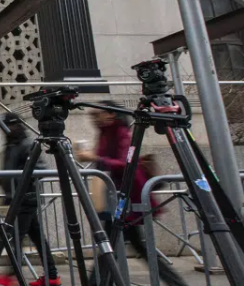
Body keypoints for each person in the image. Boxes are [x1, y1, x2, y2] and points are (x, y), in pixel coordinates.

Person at [75, 101, 189, 286]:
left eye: (98, 114)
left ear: (111, 114)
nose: (94, 119)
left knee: (112, 248)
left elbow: (125, 163)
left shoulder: (121, 132)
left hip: (128, 198)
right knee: (118, 248)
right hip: (118, 198)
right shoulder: (106, 132)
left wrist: (93, 157)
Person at [0, 113, 60, 286]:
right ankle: (52, 276)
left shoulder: (26, 144)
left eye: (9, 125)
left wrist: (19, 181)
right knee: (37, 237)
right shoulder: (12, 144)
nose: (6, 129)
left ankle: (9, 276)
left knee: (15, 237)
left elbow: (40, 169)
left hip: (26, 198)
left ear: (17, 125)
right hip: (17, 199)